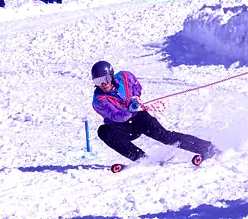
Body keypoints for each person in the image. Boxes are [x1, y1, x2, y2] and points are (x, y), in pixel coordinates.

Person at [90, 61, 221, 163]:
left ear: (111, 76)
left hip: (139, 117)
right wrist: (128, 110)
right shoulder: (99, 100)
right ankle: (142, 159)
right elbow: (116, 116)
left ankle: (208, 148)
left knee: (166, 136)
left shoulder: (124, 76)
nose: (103, 84)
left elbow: (136, 85)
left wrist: (135, 97)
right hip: (122, 127)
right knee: (104, 131)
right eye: (98, 81)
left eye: (105, 79)